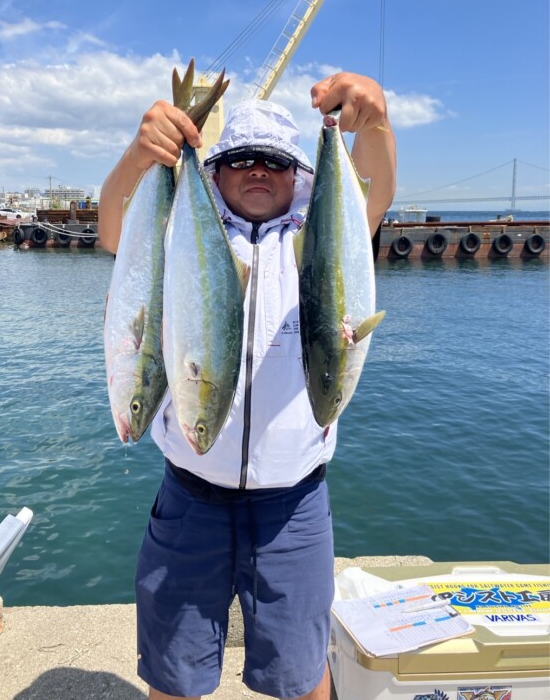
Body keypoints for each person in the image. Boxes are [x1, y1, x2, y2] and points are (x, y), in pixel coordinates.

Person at [99, 71, 396, 700]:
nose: (257, 170)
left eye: (274, 161)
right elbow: (110, 230)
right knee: (173, 674)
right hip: (189, 498)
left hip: (294, 505)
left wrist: (375, 124)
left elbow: (375, 190)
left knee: (301, 671)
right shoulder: (185, 233)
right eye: (238, 159)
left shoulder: (321, 235)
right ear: (218, 169)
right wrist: (142, 150)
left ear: (297, 173)